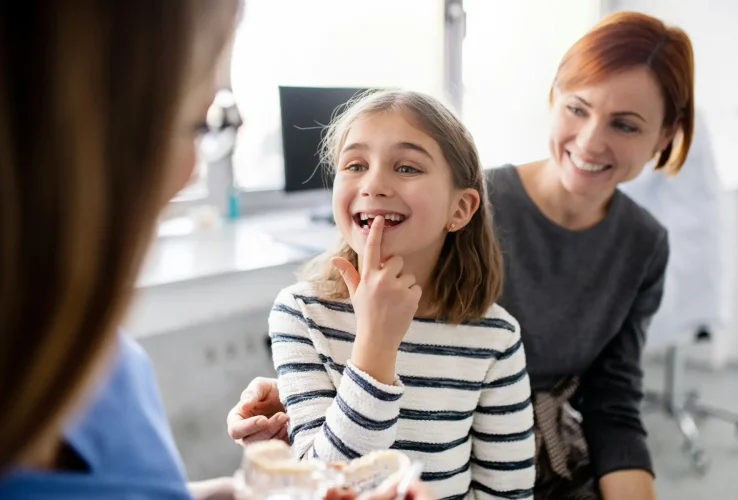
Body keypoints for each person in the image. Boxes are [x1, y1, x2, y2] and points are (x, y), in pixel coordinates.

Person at [229, 10, 695, 500]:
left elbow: (612, 403)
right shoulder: (453, 200)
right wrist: (325, 380)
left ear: (663, 137)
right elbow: (325, 472)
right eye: (578, 109)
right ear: (554, 98)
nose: (591, 139)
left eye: (624, 124)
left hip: (541, 458)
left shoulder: (634, 249)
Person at [0, 2, 437, 500]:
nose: (190, 170)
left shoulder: (101, 356)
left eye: (407, 168)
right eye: (196, 124)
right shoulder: (297, 313)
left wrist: (244, 494)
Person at [262, 90, 536, 500]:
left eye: (407, 167)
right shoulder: (301, 314)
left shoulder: (495, 338)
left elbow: (508, 493)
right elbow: (319, 489)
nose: (373, 184)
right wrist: (375, 346)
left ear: (459, 209)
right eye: (355, 165)